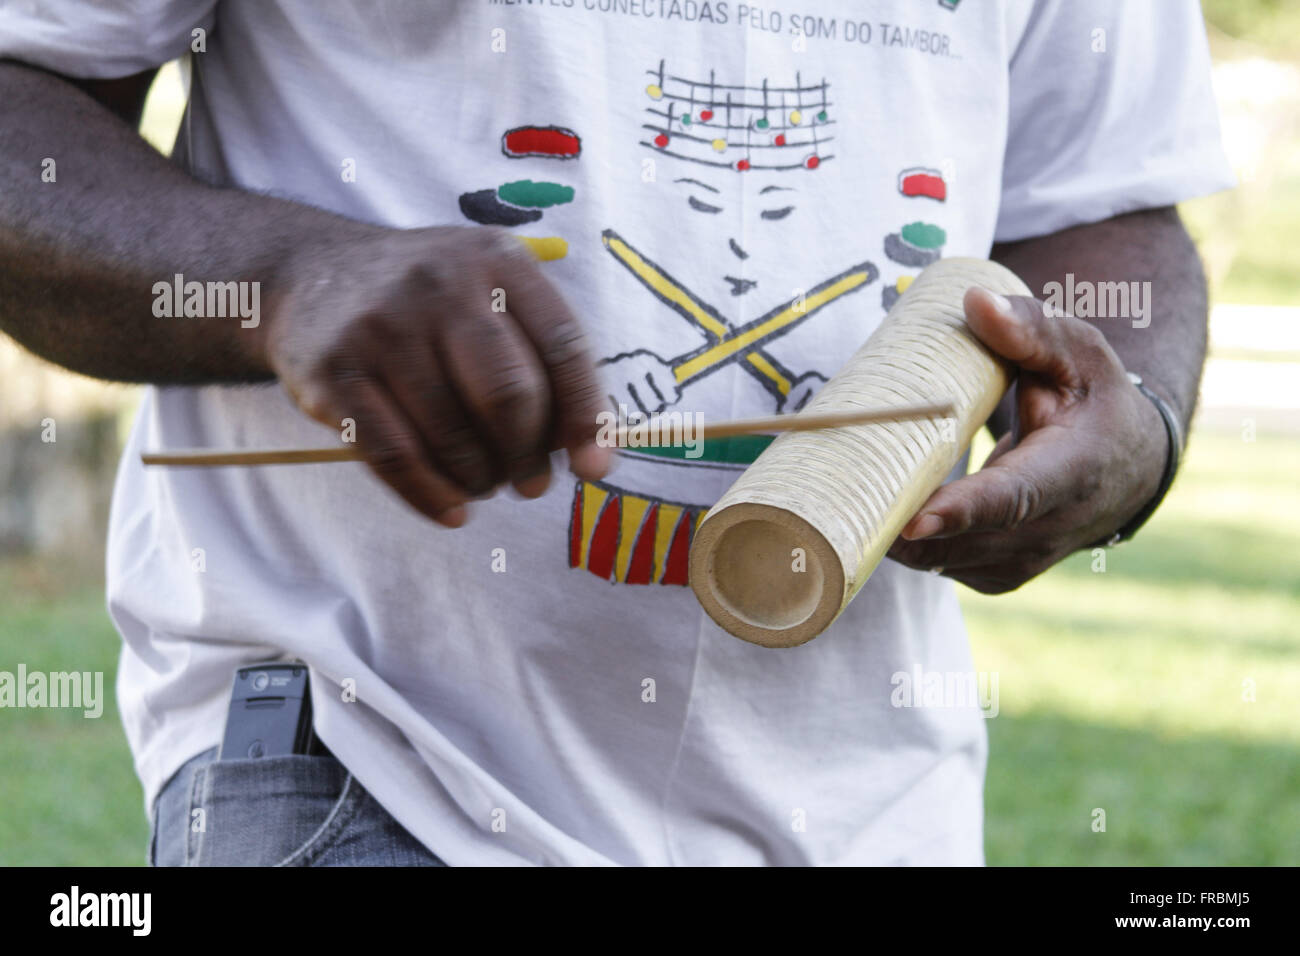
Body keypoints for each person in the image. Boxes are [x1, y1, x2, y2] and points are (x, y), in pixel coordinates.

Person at [0, 0, 1233, 865]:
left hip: (875, 806)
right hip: (377, 753)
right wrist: (285, 278)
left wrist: (1140, 430)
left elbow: (1107, 207)